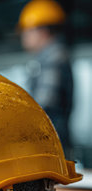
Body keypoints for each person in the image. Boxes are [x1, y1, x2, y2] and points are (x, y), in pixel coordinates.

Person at [19, 0, 73, 151]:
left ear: (42, 31)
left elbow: (45, 102)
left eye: (27, 31)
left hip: (52, 143)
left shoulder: (54, 57)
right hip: (52, 140)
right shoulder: (46, 58)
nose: (24, 36)